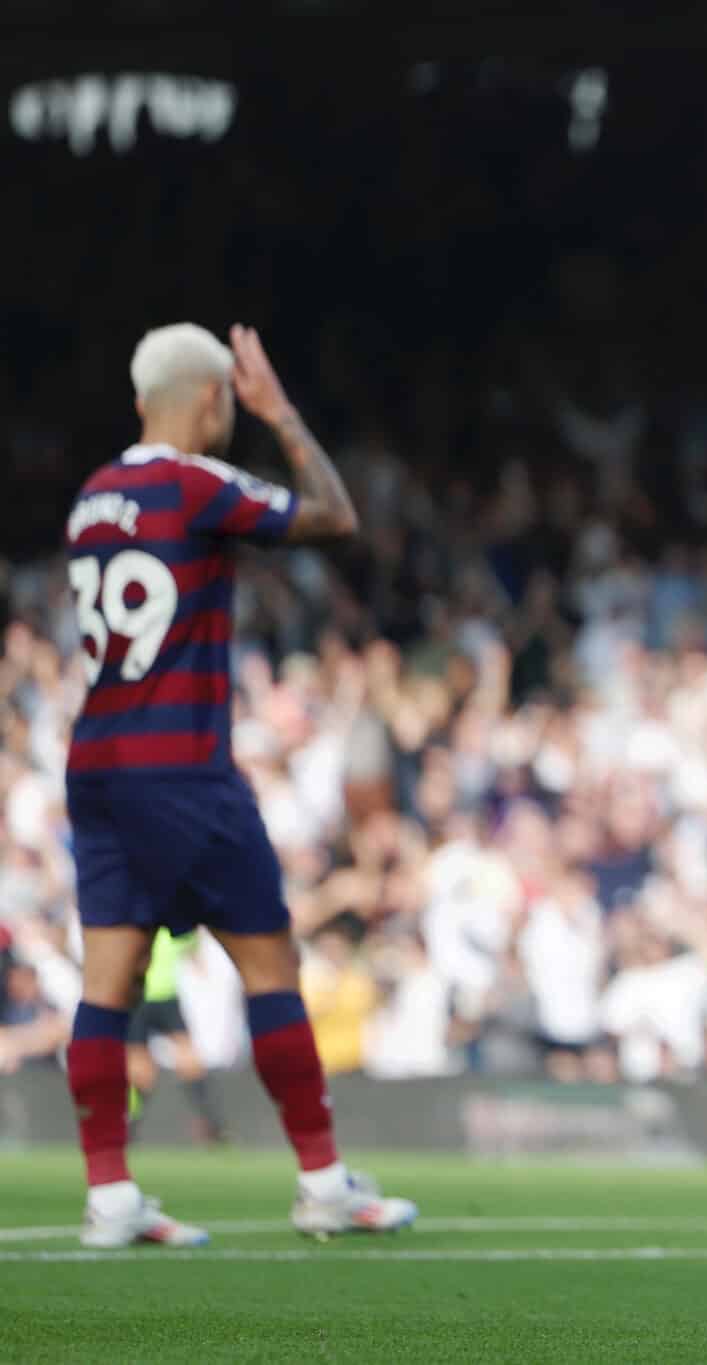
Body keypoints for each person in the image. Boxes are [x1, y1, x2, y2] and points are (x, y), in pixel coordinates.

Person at [62, 321, 416, 1248]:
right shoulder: (197, 484)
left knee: (108, 985)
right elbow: (333, 516)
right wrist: (283, 414)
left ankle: (109, 1197)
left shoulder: (93, 498)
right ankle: (323, 1182)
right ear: (216, 399)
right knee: (270, 967)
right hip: (181, 766)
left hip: (97, 767)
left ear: (141, 400)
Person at [124, 928, 229, 1146]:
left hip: (168, 1000)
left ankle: (210, 1123)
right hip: (139, 1000)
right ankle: (127, 1124)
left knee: (190, 1061)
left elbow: (193, 945)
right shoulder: (139, 927)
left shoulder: (176, 930)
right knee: (140, 1070)